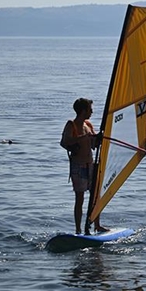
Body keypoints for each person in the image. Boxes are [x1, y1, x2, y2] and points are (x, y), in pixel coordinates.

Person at [60, 98, 108, 235]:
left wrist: (98, 138)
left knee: (95, 196)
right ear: (83, 110)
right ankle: (78, 229)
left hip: (90, 165)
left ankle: (97, 225)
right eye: (90, 109)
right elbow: (64, 142)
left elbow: (93, 145)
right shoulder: (71, 125)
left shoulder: (88, 124)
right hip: (78, 166)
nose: (92, 112)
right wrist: (83, 138)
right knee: (79, 198)